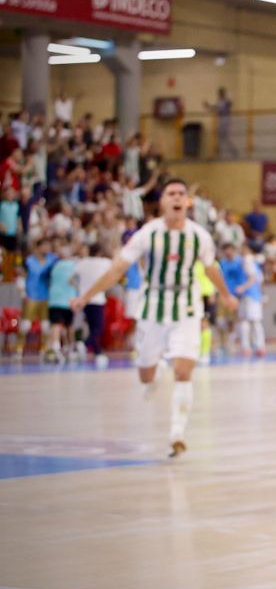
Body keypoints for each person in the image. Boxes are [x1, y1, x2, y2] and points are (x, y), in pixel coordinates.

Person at [70, 178, 237, 458]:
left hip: (186, 308)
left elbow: (211, 269)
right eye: (171, 193)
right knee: (145, 376)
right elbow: (117, 269)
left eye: (181, 193)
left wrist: (225, 294)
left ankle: (177, 434)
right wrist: (85, 296)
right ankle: (155, 370)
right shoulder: (147, 234)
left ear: (187, 202)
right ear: (162, 202)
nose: (177, 197)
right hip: (152, 309)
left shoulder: (199, 236)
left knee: (184, 371)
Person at [16, 238, 56, 359]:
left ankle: (44, 349)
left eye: (48, 246)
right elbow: (20, 277)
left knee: (45, 326)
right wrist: (23, 294)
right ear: (38, 247)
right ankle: (19, 349)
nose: (47, 249)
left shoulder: (52, 260)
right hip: (31, 296)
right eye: (44, 246)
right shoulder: (29, 261)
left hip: (46, 297)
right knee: (25, 325)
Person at [74, 244, 113, 363]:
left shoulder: (82, 263)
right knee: (99, 328)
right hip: (97, 299)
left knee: (92, 327)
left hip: (84, 300)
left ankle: (97, 352)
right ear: (99, 253)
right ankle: (84, 344)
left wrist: (79, 289)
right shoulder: (104, 262)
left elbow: (72, 279)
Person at [45, 244, 77, 363]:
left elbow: (48, 280)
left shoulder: (54, 266)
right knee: (69, 325)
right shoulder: (74, 265)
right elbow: (75, 281)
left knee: (56, 325)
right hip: (69, 300)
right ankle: (70, 348)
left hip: (55, 300)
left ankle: (55, 348)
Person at [235, 243, 266, 357]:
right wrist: (263, 295)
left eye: (243, 248)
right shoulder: (255, 262)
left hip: (249, 294)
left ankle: (249, 346)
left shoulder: (247, 260)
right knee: (252, 321)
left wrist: (242, 287)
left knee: (248, 321)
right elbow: (260, 280)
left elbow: (252, 277)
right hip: (253, 295)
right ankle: (257, 346)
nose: (241, 250)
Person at [205, 87, 236, 158]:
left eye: (221, 93)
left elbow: (229, 104)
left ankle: (220, 152)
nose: (220, 94)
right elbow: (216, 108)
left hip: (225, 120)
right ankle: (222, 152)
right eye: (219, 93)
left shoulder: (226, 100)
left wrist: (228, 104)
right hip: (220, 120)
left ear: (223, 93)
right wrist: (208, 106)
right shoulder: (219, 101)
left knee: (222, 137)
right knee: (222, 137)